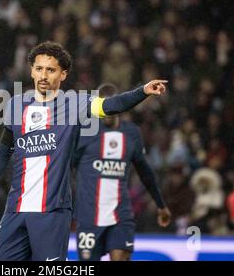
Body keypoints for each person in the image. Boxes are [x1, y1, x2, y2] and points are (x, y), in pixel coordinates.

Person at [0, 41, 168, 261]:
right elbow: (3, 149)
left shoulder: (74, 104)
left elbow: (111, 105)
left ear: (63, 74)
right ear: (31, 71)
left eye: (51, 70)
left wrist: (143, 91)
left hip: (52, 213)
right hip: (15, 210)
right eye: (39, 69)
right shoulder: (17, 105)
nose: (43, 75)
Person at [72, 83, 171, 261]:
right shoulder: (85, 131)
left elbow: (144, 171)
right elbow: (65, 167)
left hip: (121, 214)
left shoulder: (131, 133)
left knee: (120, 257)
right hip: (89, 216)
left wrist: (160, 204)